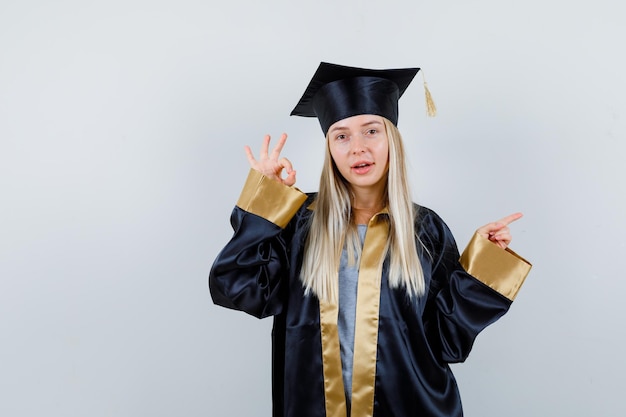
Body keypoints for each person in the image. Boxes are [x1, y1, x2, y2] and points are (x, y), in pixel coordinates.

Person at [209, 62, 532, 417]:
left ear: (391, 138)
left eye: (371, 131)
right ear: (329, 148)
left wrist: (484, 265)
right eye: (342, 136)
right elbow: (235, 287)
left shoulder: (425, 230)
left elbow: (448, 342)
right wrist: (265, 202)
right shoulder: (300, 225)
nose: (357, 148)